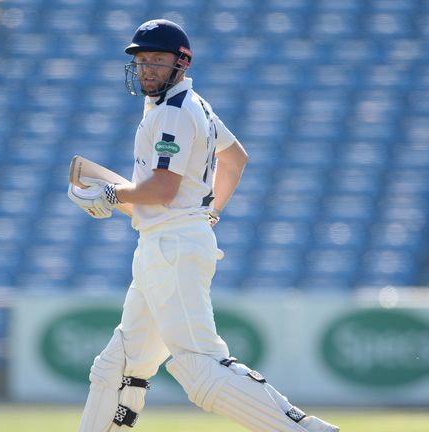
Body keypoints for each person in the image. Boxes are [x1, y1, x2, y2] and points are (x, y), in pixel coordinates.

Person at [67, 19, 339, 432]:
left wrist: (110, 196)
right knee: (119, 364)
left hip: (171, 247)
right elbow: (236, 159)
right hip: (171, 242)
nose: (147, 69)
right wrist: (210, 210)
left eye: (157, 60)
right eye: (141, 61)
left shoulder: (173, 113)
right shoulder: (194, 106)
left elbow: (161, 188)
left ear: (182, 62)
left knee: (201, 367)